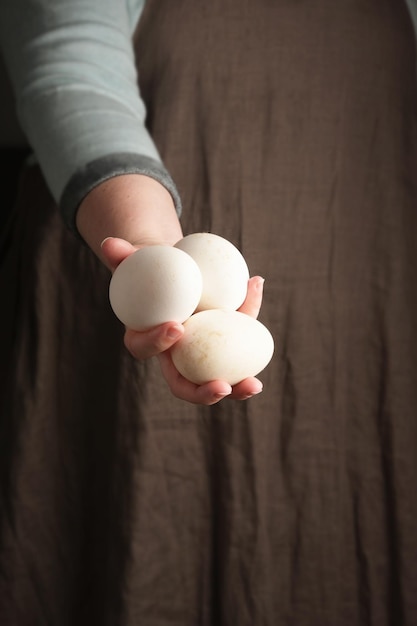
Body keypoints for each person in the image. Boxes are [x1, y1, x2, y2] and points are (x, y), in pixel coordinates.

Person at [0, 1, 417, 624]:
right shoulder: (151, 263)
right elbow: (70, 65)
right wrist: (149, 251)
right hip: (112, 241)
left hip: (367, 268)